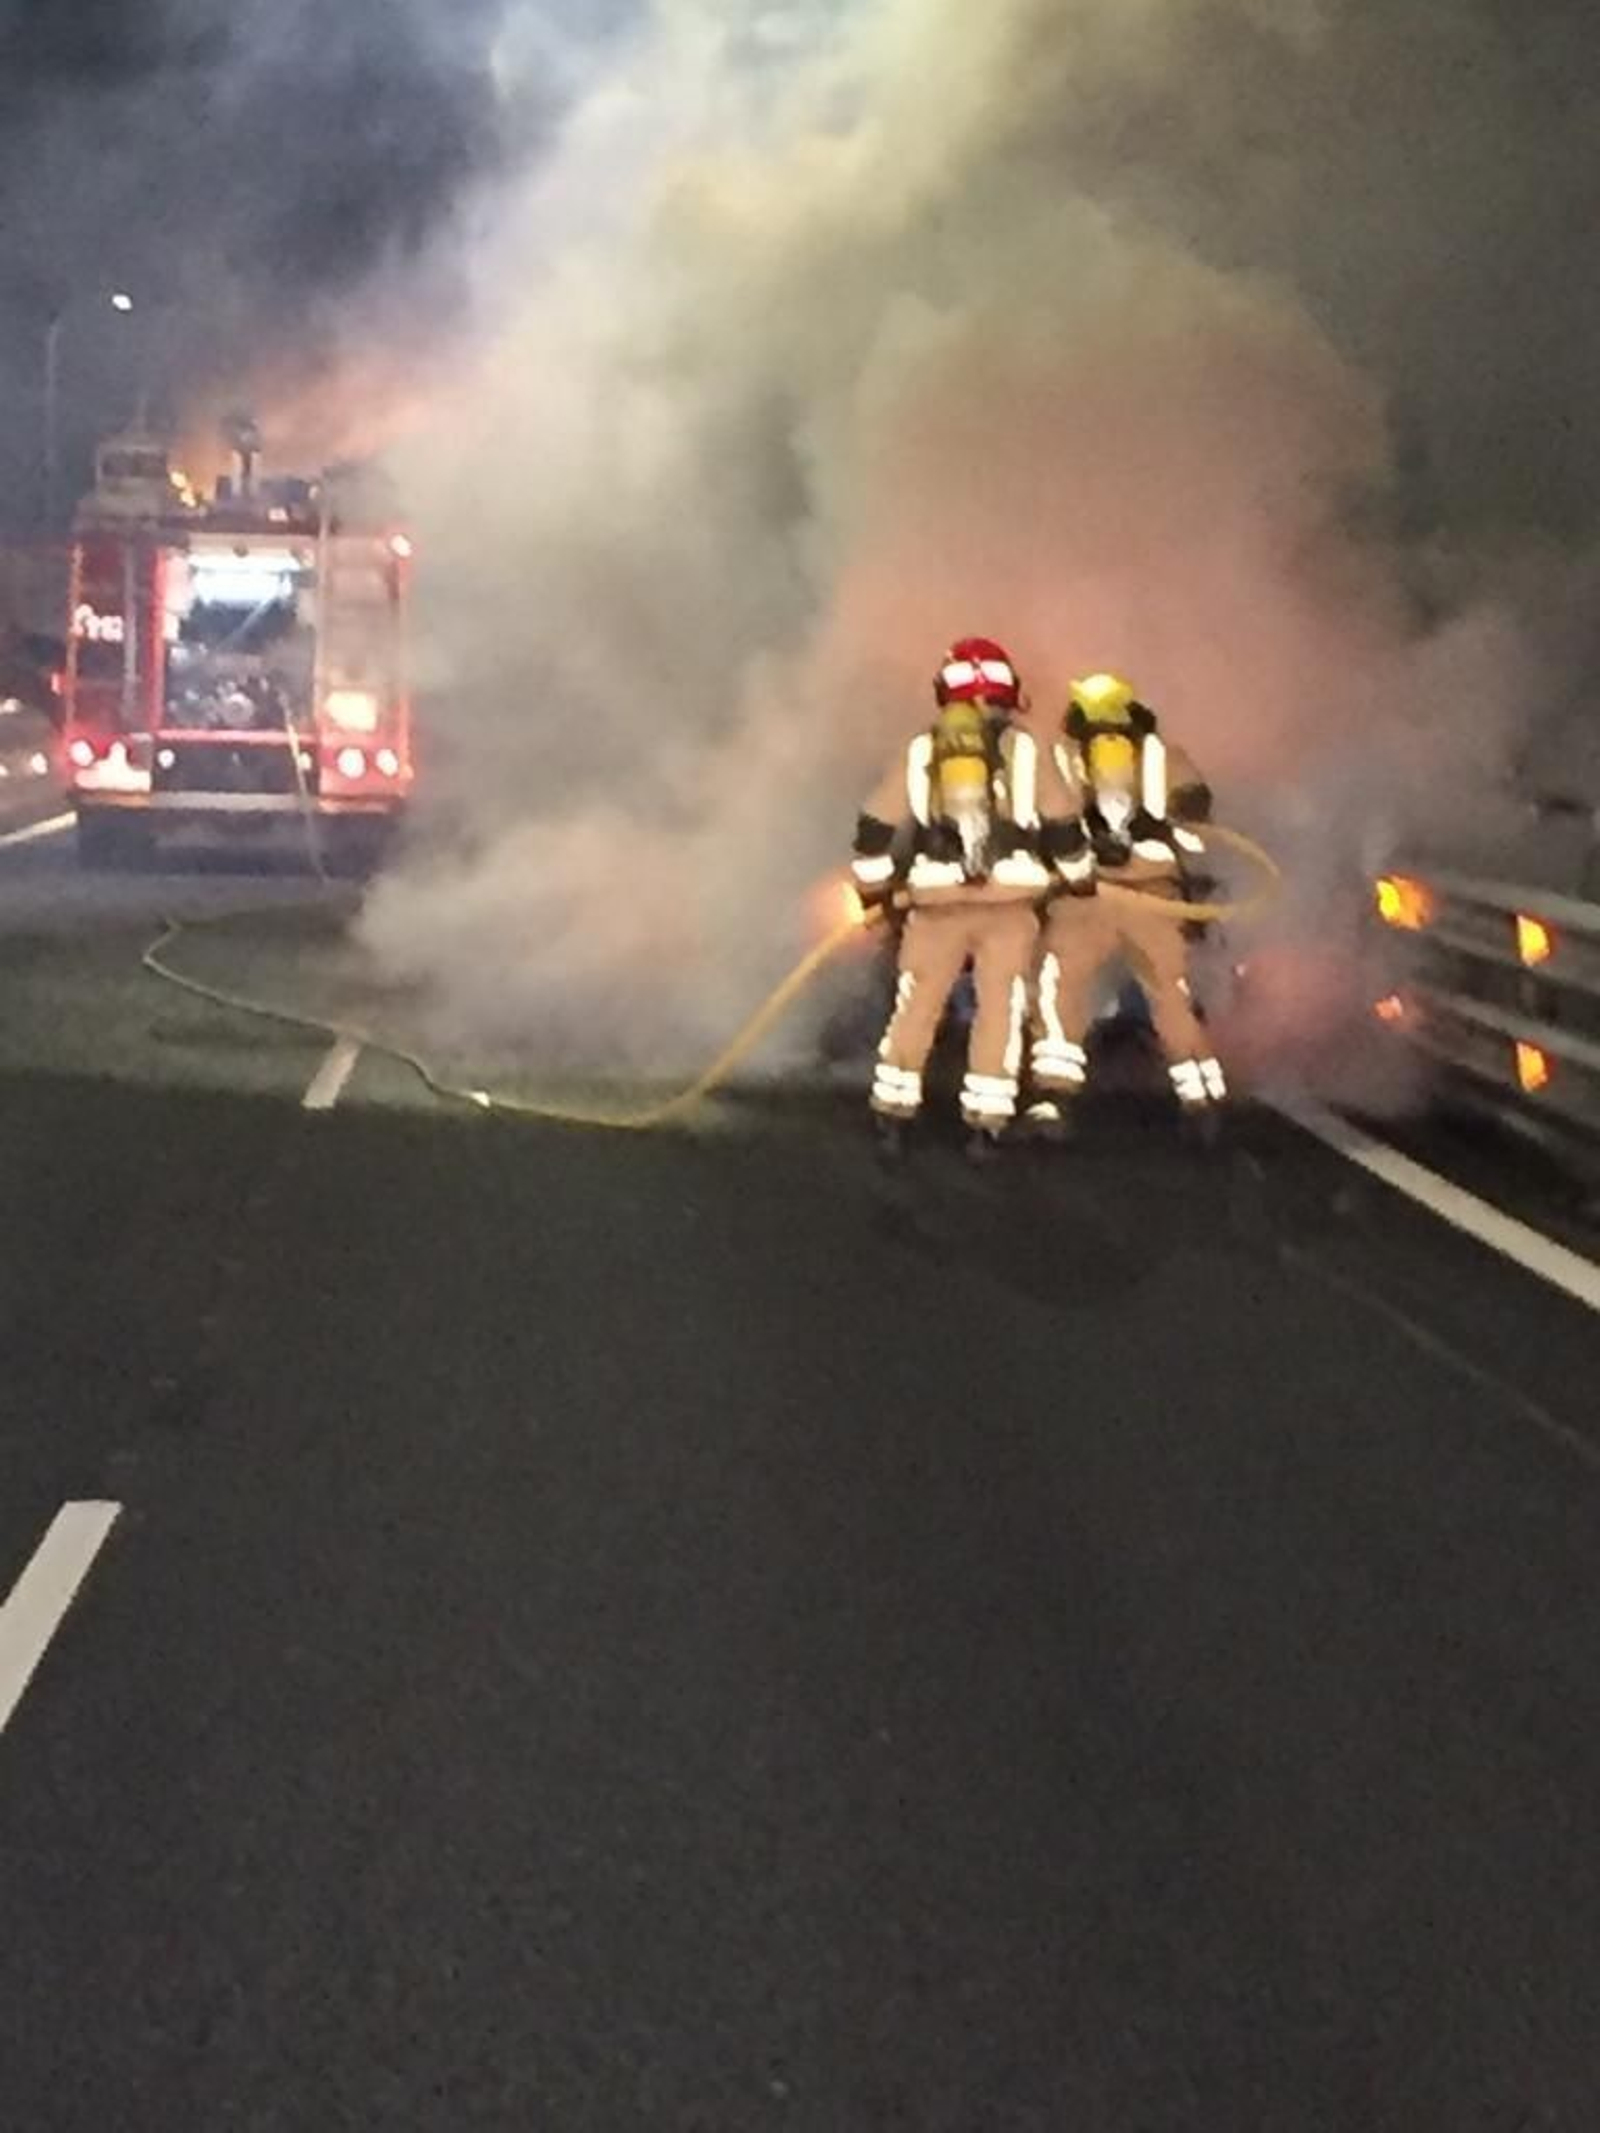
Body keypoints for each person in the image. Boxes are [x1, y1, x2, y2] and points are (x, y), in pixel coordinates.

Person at [851, 637, 1090, 1159]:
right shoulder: (1031, 749)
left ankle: (891, 1112)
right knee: (1000, 1006)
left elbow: (875, 826)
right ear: (1007, 692)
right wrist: (1078, 875)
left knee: (916, 1003)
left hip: (935, 902)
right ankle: (986, 1123)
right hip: (1010, 903)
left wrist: (874, 892)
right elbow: (1065, 826)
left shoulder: (921, 750)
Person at [1027, 671, 1227, 1134]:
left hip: (1134, 897)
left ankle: (1198, 1099)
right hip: (1098, 896)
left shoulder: (1156, 762)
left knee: (1078, 991)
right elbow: (1045, 825)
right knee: (1073, 990)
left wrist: (1154, 829)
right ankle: (1055, 1095)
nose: (1108, 744)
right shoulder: (1065, 762)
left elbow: (1197, 824)